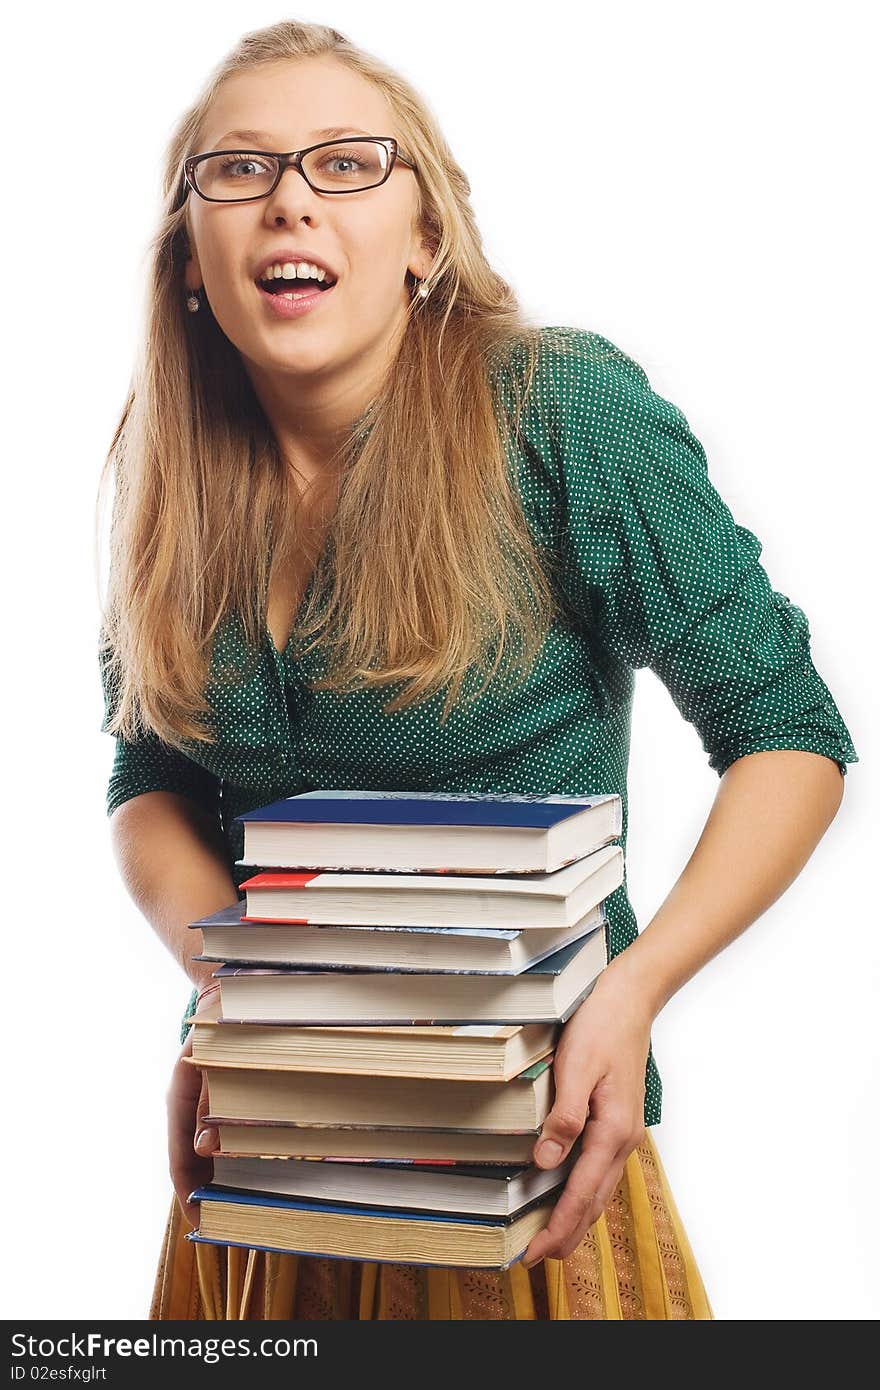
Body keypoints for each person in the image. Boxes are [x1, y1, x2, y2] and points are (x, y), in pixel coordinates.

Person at [98, 20, 858, 1322]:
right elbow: (148, 775)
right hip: (265, 1165)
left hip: (524, 1177)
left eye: (347, 163)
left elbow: (789, 734)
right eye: (239, 170)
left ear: (428, 241)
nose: (290, 196)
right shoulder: (173, 481)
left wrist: (635, 992)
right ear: (188, 262)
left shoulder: (559, 409)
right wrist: (224, 982)